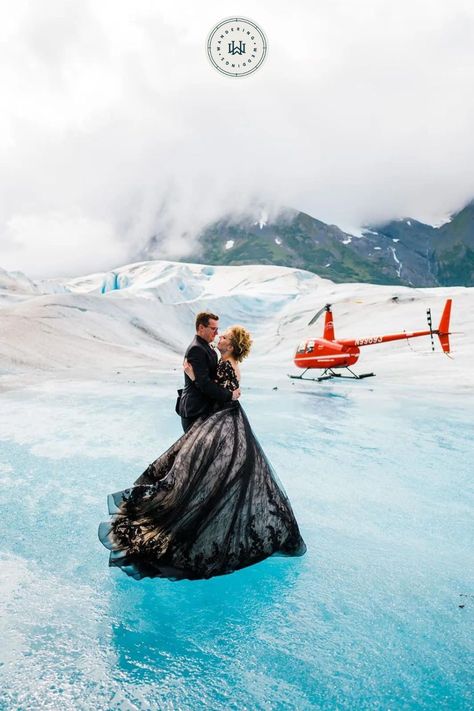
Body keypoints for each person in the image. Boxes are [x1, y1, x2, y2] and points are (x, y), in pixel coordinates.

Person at [98, 324, 306, 581]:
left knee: (200, 470)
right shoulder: (224, 361)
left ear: (231, 345)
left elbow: (217, 391)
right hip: (224, 418)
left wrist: (193, 377)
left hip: (224, 420)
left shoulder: (227, 364)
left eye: (225, 336)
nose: (220, 337)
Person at [177, 311, 241, 433]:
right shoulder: (197, 349)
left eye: (217, 329)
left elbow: (212, 380)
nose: (217, 333)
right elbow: (205, 384)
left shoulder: (206, 347)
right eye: (213, 329)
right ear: (201, 327)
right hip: (194, 410)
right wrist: (230, 395)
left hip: (204, 409)